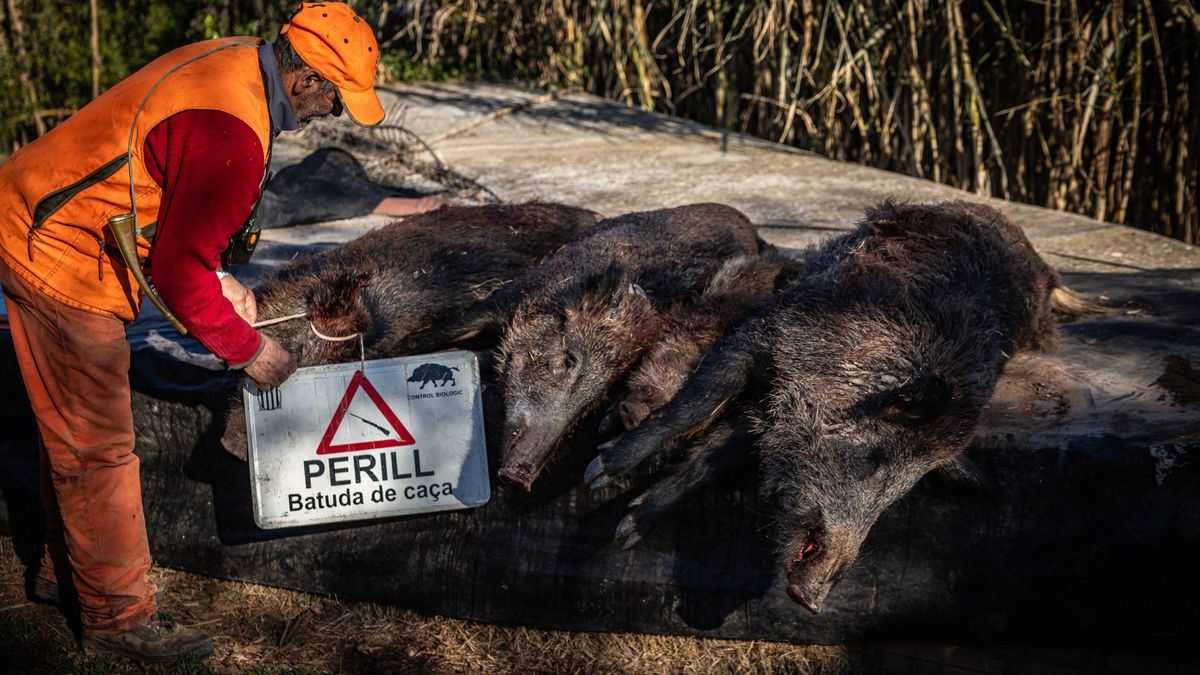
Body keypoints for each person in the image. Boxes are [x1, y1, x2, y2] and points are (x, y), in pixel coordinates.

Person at [0, 2, 387, 664]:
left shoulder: (236, 60)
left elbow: (174, 208)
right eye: (336, 98)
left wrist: (218, 277)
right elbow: (179, 276)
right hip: (55, 250)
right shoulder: (233, 135)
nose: (334, 114)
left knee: (68, 429)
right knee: (97, 442)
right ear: (304, 81)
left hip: (44, 212)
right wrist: (251, 349)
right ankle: (117, 614)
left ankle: (60, 567)